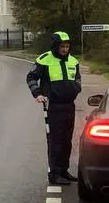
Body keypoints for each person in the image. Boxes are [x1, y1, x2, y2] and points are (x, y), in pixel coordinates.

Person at [26, 31, 82, 186]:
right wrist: (37, 94)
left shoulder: (73, 61)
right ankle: (54, 173)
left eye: (67, 46)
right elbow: (31, 77)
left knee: (67, 141)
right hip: (53, 106)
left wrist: (76, 88)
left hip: (69, 105)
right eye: (62, 46)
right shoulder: (44, 60)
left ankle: (64, 170)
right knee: (55, 141)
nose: (65, 49)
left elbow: (77, 78)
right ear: (55, 46)